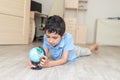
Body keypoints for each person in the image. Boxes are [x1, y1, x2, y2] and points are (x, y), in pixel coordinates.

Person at [28, 15, 99, 69]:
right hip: (63, 52)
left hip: (73, 51)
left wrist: (49, 64)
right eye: (48, 36)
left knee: (86, 51)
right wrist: (35, 60)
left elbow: (64, 60)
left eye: (55, 37)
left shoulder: (68, 38)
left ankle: (94, 46)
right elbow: (44, 54)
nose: (50, 40)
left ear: (63, 35)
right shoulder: (46, 37)